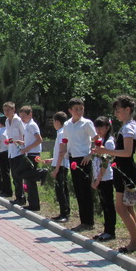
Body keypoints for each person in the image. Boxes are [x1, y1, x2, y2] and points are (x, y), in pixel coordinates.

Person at [93, 95, 136, 254]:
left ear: (128, 110)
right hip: (122, 169)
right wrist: (107, 154)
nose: (116, 114)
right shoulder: (127, 126)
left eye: (119, 111)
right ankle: (135, 239)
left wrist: (105, 151)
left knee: (121, 207)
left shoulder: (128, 128)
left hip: (126, 170)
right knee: (127, 207)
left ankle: (135, 241)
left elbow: (127, 152)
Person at [60, 98, 97, 232]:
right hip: (73, 158)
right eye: (76, 109)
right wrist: (64, 150)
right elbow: (65, 139)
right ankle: (83, 220)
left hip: (84, 159)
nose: (79, 111)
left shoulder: (87, 123)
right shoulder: (67, 124)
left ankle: (89, 221)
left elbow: (96, 139)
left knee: (86, 191)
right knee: (78, 190)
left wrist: (90, 154)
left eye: (81, 109)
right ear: (70, 111)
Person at [12, 106, 47, 212]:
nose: (22, 119)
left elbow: (39, 140)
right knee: (30, 180)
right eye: (21, 117)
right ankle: (34, 204)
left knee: (18, 173)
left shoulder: (32, 125)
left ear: (30, 115)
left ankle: (41, 173)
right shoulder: (27, 125)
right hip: (29, 153)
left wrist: (26, 149)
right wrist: (22, 143)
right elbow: (31, 140)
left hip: (33, 154)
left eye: (24, 116)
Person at [91, 116, 116, 242]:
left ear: (107, 127)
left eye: (101, 127)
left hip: (106, 178)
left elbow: (106, 163)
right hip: (99, 177)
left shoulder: (109, 142)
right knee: (104, 205)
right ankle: (106, 229)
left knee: (108, 205)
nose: (98, 129)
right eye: (97, 127)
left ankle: (110, 231)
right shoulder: (99, 140)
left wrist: (98, 179)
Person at [48, 111, 70, 222]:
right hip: (60, 163)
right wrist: (52, 160)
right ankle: (63, 212)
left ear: (57, 121)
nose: (53, 124)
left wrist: (56, 168)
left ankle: (65, 214)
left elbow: (62, 152)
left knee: (60, 189)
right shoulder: (61, 132)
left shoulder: (61, 133)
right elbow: (58, 153)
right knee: (61, 189)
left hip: (61, 165)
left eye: (53, 122)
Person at [4, 101, 26, 206]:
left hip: (19, 151)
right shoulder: (7, 121)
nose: (6, 112)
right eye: (5, 110)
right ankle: (18, 196)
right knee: (14, 174)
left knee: (18, 174)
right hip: (11, 151)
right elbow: (8, 134)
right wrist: (8, 140)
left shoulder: (18, 121)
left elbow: (24, 134)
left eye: (8, 110)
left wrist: (23, 145)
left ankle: (21, 197)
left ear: (13, 110)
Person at [0, 115, 12, 198]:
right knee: (7, 172)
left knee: (4, 173)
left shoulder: (0, 131)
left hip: (1, 153)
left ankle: (7, 190)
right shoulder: (9, 130)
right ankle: (7, 189)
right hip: (9, 152)